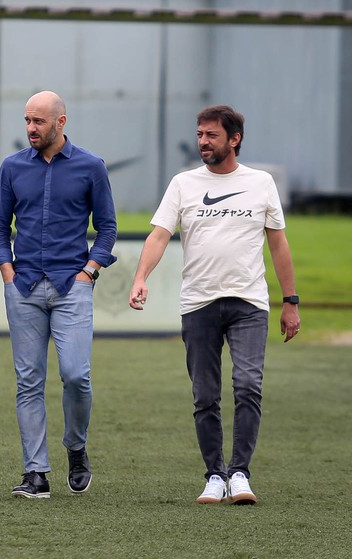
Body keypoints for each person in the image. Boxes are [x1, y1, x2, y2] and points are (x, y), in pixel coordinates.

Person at [128, 104, 300, 505]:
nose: (202, 142)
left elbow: (278, 244)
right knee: (205, 395)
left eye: (211, 135)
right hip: (199, 304)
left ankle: (239, 474)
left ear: (234, 139)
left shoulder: (261, 183)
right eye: (200, 134)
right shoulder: (184, 183)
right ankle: (214, 476)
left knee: (248, 386)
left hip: (249, 303)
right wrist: (140, 278)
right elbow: (158, 236)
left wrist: (290, 301)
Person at [0, 90, 117, 498]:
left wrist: (89, 271)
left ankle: (76, 449)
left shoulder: (90, 166)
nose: (30, 128)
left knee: (76, 375)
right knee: (28, 381)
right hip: (22, 287)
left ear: (61, 123)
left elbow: (108, 228)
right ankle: (36, 473)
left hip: (71, 286)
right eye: (27, 120)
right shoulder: (11, 168)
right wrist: (7, 272)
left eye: (38, 121)